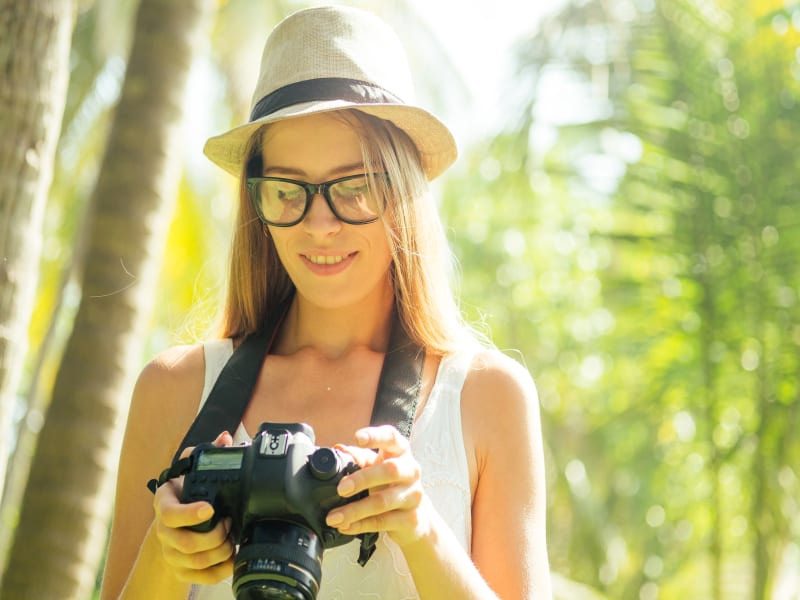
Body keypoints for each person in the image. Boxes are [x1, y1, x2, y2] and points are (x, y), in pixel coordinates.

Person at [100, 5, 550, 599]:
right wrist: (169, 548)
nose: (319, 224)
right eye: (288, 190)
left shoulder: (487, 397)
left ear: (402, 192)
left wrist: (418, 527)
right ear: (256, 205)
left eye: (354, 186)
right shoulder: (176, 390)